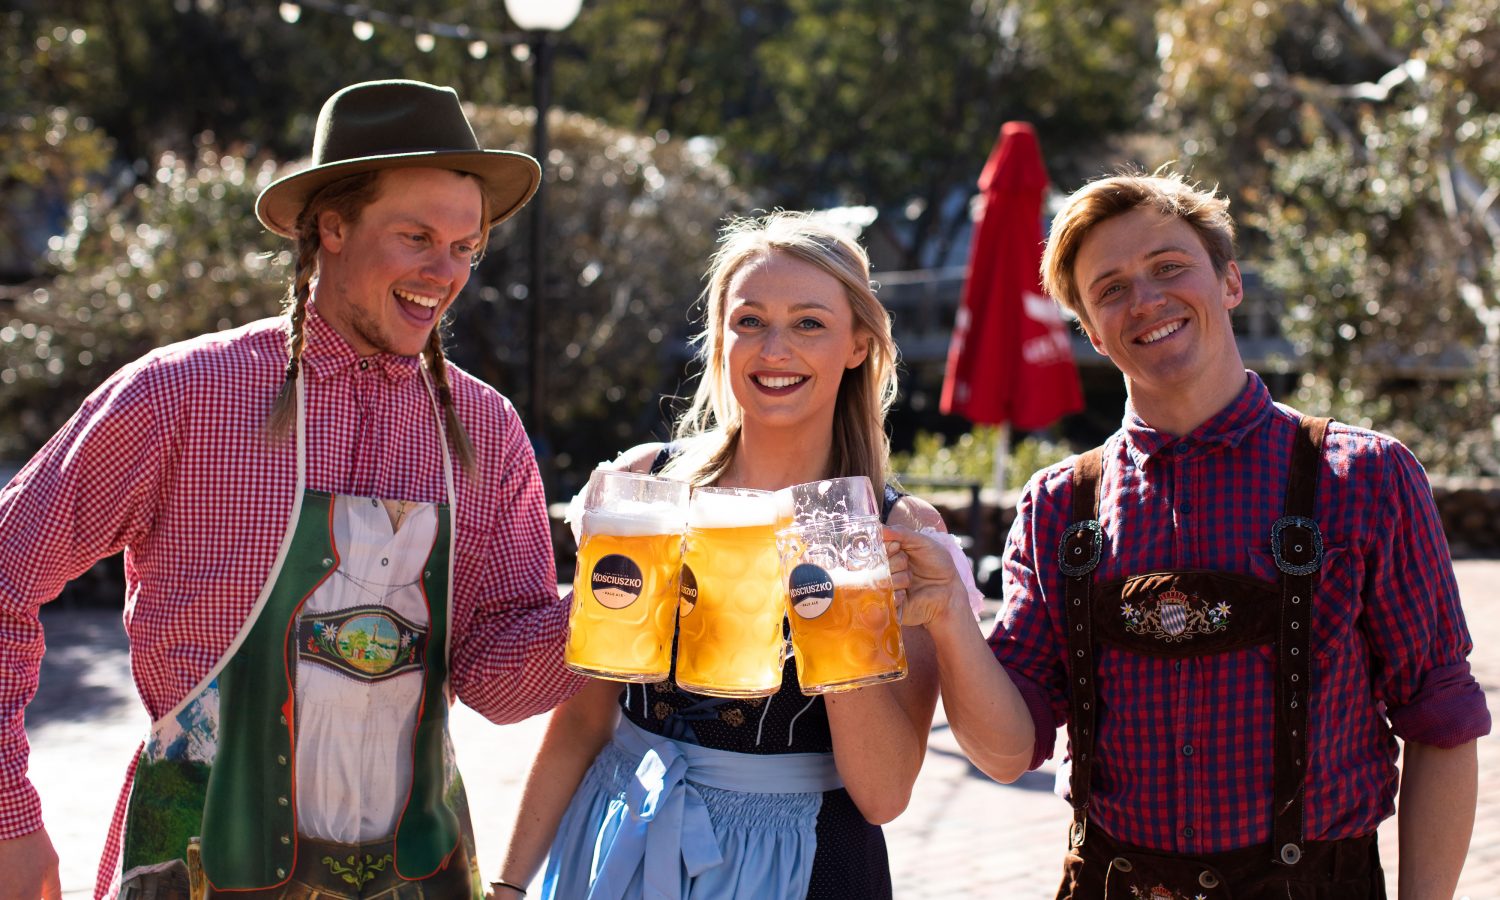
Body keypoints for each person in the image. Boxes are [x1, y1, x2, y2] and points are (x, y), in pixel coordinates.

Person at [0, 79, 584, 900]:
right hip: (198, 863)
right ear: (332, 226)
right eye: (416, 237)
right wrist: (10, 818)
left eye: (465, 246)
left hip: (415, 875)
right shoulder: (182, 396)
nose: (444, 272)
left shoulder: (486, 431)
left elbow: (496, 682)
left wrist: (621, 598)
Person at [890, 171, 1491, 898]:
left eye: (1169, 267)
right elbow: (1005, 752)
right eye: (1110, 288)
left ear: (1230, 281)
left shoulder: (1366, 477)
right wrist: (952, 619)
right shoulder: (1057, 507)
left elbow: (1441, 721)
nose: (1145, 300)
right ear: (1092, 330)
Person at [491, 212, 974, 900]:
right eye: (750, 321)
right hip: (624, 834)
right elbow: (583, 717)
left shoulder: (897, 529)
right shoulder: (646, 486)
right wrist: (509, 885)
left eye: (809, 323)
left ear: (858, 345)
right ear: (720, 336)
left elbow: (884, 794)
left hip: (803, 860)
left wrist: (834, 595)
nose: (774, 349)